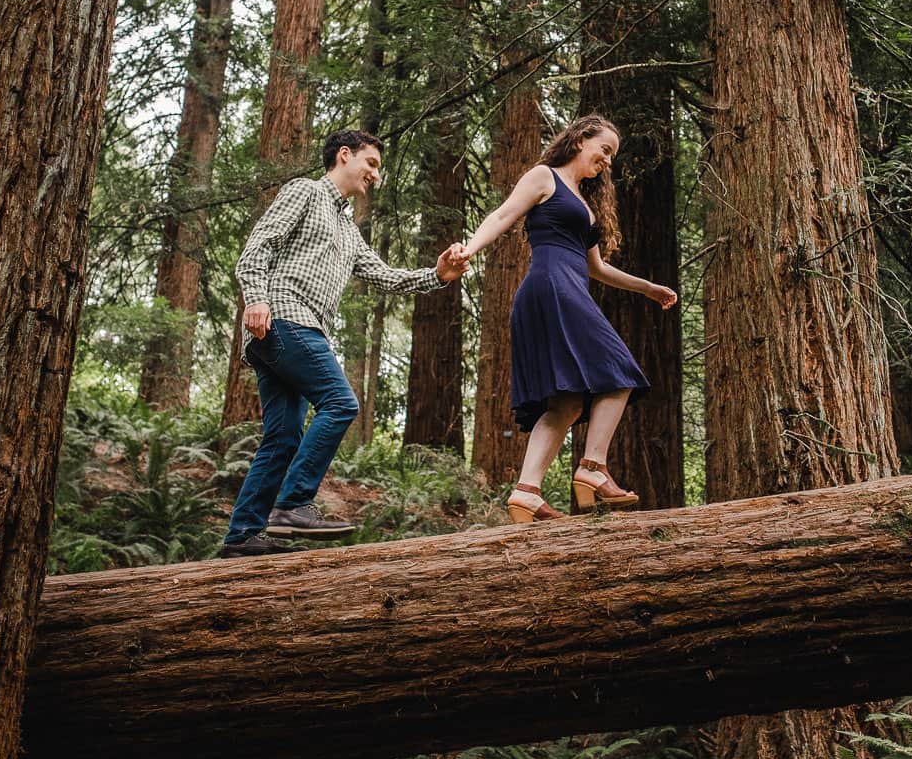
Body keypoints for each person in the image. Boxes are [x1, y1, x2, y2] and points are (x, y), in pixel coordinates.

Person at [217, 128, 467, 558]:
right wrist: (256, 298)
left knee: (283, 436)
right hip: (284, 318)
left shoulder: (349, 230)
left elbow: (385, 276)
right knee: (341, 402)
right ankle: (293, 504)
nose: (375, 175)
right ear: (345, 155)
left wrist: (438, 274)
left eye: (379, 169)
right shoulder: (306, 191)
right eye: (371, 164)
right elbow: (258, 246)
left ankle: (242, 536)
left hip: (292, 332)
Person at [447, 114, 677, 523]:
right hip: (551, 286)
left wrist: (648, 288)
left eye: (612, 157)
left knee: (568, 403)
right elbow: (503, 216)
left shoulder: (584, 203)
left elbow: (598, 269)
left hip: (567, 287)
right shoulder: (544, 177)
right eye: (604, 149)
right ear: (580, 139)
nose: (607, 161)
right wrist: (469, 250)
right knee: (619, 370)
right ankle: (593, 467)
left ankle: (527, 492)